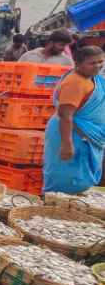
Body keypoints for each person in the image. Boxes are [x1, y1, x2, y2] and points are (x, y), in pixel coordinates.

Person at [43, 46, 105, 194]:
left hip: (87, 135)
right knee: (67, 178)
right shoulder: (75, 82)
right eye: (92, 63)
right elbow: (65, 115)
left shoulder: (92, 79)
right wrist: (67, 144)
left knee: (82, 178)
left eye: (100, 61)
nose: (98, 66)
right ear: (78, 63)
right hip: (71, 133)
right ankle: (55, 207)